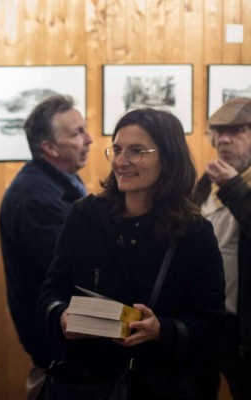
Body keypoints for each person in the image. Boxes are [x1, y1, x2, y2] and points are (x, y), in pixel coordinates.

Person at [38, 108, 226, 399]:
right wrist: (61, 316)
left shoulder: (194, 232)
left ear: (168, 158)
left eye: (137, 151)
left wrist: (161, 329)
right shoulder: (85, 217)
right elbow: (50, 293)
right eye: (117, 149)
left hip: (163, 385)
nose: (121, 161)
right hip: (90, 383)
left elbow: (213, 324)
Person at [0, 95, 91, 400]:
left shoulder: (59, 182)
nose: (89, 140)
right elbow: (76, 272)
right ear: (49, 148)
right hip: (58, 350)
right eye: (76, 133)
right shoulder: (35, 198)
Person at [192, 98, 251, 400]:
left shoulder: (232, 184)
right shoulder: (209, 181)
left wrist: (234, 187)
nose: (224, 140)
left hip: (242, 327)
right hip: (204, 319)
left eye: (237, 130)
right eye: (218, 131)